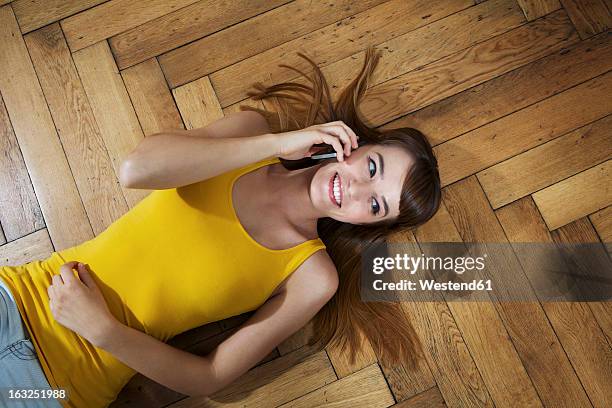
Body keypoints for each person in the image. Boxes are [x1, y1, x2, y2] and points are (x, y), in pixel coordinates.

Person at [0, 45, 441, 407]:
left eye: (377, 204)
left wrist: (103, 331)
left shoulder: (312, 276)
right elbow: (136, 170)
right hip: (17, 294)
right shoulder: (253, 134)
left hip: (53, 391)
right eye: (372, 167)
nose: (359, 190)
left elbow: (209, 377)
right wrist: (275, 143)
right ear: (355, 145)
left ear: (370, 223)